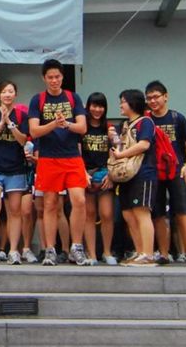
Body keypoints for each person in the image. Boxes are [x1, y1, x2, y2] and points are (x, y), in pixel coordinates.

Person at [26, 59, 90, 266]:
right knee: (50, 204)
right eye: (50, 77)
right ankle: (50, 250)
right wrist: (54, 123)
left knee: (79, 200)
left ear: (62, 77)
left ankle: (76, 247)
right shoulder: (38, 100)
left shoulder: (73, 97)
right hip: (48, 157)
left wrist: (66, 124)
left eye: (57, 77)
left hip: (72, 156)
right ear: (44, 79)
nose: (54, 80)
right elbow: (34, 131)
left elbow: (82, 128)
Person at [144, 81, 186, 265]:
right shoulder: (146, 120)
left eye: (156, 96)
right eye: (149, 98)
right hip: (154, 172)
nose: (153, 101)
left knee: (182, 211)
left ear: (166, 96)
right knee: (158, 213)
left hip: (176, 170)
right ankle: (164, 253)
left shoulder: (177, 118)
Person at [0, 81, 29, 265]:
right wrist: (1, 122)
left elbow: (23, 140)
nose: (7, 94)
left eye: (11, 91)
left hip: (15, 168)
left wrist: (10, 123)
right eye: (4, 92)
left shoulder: (22, 115)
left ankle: (13, 250)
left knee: (15, 211)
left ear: (15, 94)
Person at [109, 89, 157, 267]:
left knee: (141, 212)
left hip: (143, 173)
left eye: (123, 101)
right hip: (126, 175)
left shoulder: (145, 122)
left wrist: (121, 155)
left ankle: (148, 254)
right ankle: (139, 252)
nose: (120, 105)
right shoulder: (125, 125)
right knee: (128, 214)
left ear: (133, 103)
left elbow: (144, 144)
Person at [81, 92, 117, 265]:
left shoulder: (109, 128)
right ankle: (92, 254)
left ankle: (107, 252)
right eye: (94, 105)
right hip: (85, 174)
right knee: (88, 214)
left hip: (105, 175)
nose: (97, 109)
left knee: (107, 214)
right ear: (88, 107)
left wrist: (111, 174)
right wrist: (83, 173)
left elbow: (117, 152)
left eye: (101, 106)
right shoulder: (82, 127)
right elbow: (76, 151)